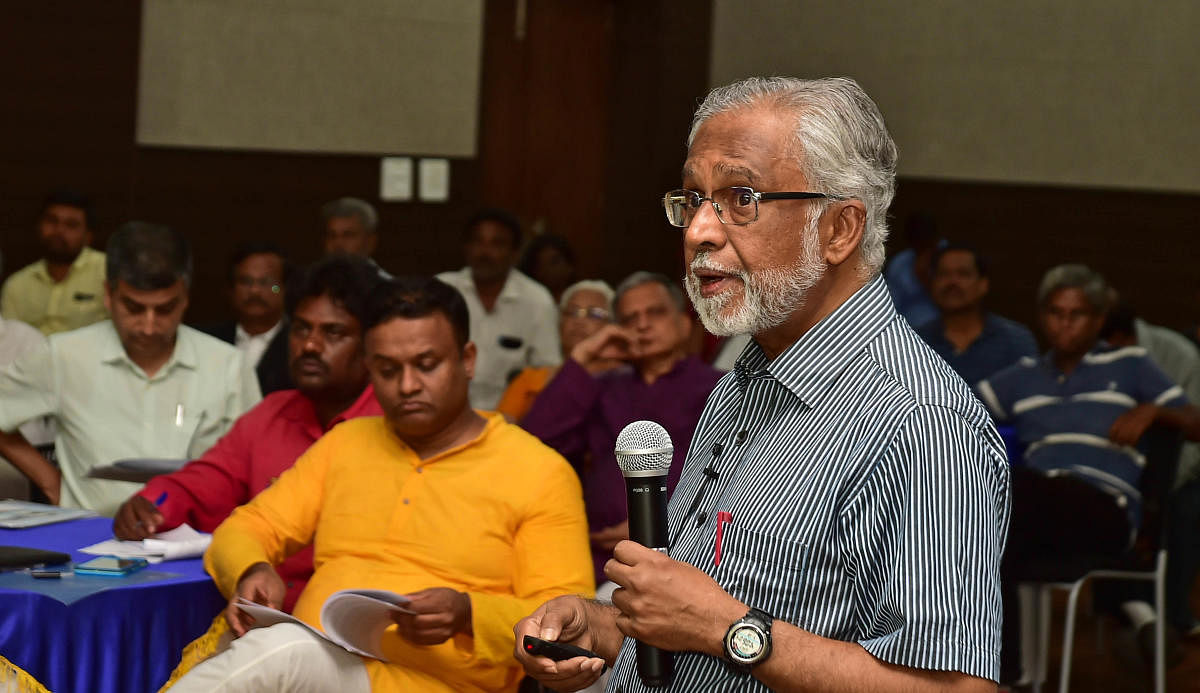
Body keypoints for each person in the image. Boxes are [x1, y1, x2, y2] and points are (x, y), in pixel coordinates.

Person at [515, 76, 1010, 692]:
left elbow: (956, 692)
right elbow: (690, 623)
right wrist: (600, 626)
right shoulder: (741, 381)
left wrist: (728, 628)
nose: (698, 231)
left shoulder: (916, 421)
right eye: (692, 200)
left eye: (740, 198)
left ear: (838, 230)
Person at [167, 276, 592, 693]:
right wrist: (253, 568)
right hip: (325, 659)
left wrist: (469, 614)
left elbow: (571, 626)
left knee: (284, 652)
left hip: (437, 684)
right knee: (280, 650)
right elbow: (246, 527)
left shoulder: (539, 471)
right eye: (388, 370)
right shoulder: (347, 442)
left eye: (426, 365)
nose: (407, 386)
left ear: (467, 359)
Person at [112, 255, 383, 611]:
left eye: (333, 333)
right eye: (301, 329)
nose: (310, 346)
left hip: (352, 622)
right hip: (263, 612)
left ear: (372, 345)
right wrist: (152, 504)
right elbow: (204, 481)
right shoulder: (274, 413)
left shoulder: (391, 424)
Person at [977, 264, 1200, 680]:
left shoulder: (1131, 364)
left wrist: (1155, 410)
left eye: (1075, 314)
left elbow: (1195, 421)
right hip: (1038, 510)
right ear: (1041, 316)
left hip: (1105, 511)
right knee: (986, 541)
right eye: (1054, 312)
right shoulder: (1022, 377)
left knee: (1005, 492)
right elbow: (956, 412)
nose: (1063, 324)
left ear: (1098, 320)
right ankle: (1006, 676)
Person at [0, 222, 261, 514]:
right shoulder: (64, 356)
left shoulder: (228, 366)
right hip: (90, 538)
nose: (149, 327)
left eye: (164, 309)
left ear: (185, 297)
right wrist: (52, 484)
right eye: (134, 308)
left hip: (197, 540)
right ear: (108, 295)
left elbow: (256, 463)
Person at [523, 272, 722, 583]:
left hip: (687, 555)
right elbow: (534, 447)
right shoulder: (604, 388)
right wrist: (582, 358)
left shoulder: (719, 387)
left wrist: (656, 522)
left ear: (684, 324)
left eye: (655, 313)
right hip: (599, 558)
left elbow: (734, 476)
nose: (642, 325)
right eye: (630, 318)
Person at [437, 209, 561, 410]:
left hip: (514, 419)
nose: (485, 252)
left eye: (497, 244)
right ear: (466, 248)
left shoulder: (537, 300)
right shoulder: (442, 290)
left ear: (515, 253)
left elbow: (547, 370)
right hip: (446, 415)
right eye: (478, 242)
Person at [915, 243, 1038, 386]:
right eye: (943, 274)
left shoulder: (1015, 341)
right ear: (932, 283)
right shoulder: (914, 343)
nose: (952, 282)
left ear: (983, 284)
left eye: (963, 274)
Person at [496, 279, 616, 422]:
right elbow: (502, 435)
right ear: (559, 323)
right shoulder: (530, 380)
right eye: (572, 312)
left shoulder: (622, 379)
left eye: (594, 314)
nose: (579, 321)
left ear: (613, 325)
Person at [0, 188, 108, 335]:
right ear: (39, 226)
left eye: (71, 225)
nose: (59, 230)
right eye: (52, 221)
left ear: (88, 236)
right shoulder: (17, 285)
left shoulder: (107, 271)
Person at [199, 241, 293, 395]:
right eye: (245, 282)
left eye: (267, 283)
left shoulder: (299, 345)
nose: (255, 291)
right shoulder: (206, 341)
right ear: (230, 289)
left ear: (285, 288)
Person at [883, 211, 942, 329]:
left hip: (943, 330)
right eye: (917, 239)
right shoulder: (900, 263)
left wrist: (925, 279)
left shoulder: (950, 258)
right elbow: (890, 305)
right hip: (908, 330)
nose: (922, 244)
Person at [321, 197, 391, 277]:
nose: (338, 243)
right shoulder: (313, 284)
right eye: (332, 236)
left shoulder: (386, 287)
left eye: (348, 235)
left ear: (370, 241)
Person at [518, 233, 578, 302]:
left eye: (554, 262)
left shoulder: (582, 297)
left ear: (569, 266)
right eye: (541, 265)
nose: (548, 270)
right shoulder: (529, 302)